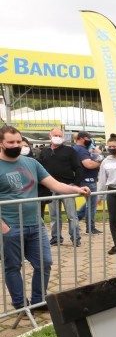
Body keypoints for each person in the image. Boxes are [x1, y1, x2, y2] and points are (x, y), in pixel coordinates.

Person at [0, 126, 90, 310]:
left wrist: (76, 189)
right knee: (13, 267)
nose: (16, 145)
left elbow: (54, 184)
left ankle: (38, 301)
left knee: (45, 263)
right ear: (1, 143)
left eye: (18, 141)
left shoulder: (31, 163)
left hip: (36, 224)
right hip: (10, 226)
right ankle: (20, 304)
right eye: (11, 142)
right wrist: (3, 227)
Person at [37, 127, 83, 246]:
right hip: (50, 188)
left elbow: (78, 168)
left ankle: (75, 238)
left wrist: (76, 184)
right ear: (50, 136)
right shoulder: (44, 152)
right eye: (55, 135)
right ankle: (56, 238)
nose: (57, 138)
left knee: (72, 215)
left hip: (67, 187)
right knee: (54, 216)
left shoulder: (70, 151)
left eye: (59, 136)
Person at [74, 131, 103, 234]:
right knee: (92, 205)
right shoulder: (81, 150)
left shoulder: (78, 149)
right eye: (88, 138)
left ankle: (76, 219)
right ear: (81, 138)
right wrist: (100, 160)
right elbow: (89, 164)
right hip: (87, 180)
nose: (89, 140)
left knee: (89, 203)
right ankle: (90, 227)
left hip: (84, 179)